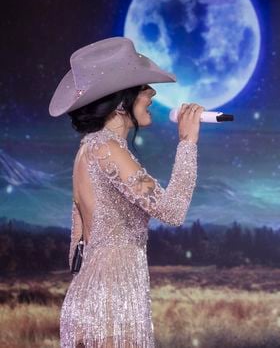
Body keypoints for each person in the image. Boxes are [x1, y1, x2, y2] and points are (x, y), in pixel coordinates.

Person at [49, 37, 204, 347]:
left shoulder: (87, 151)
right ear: (121, 102)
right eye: (144, 87)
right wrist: (188, 143)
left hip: (89, 300)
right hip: (112, 307)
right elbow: (172, 211)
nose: (152, 93)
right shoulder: (107, 149)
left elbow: (76, 248)